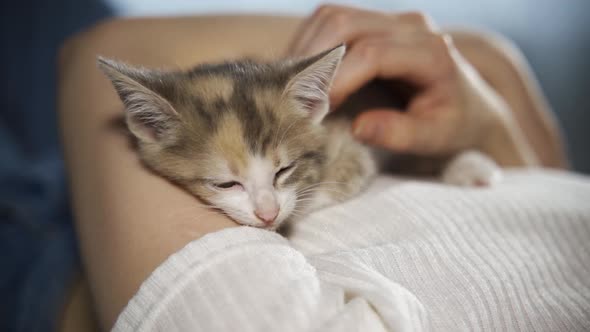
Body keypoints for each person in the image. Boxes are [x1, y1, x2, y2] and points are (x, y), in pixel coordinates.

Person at [57, 6, 586, 332]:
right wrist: (494, 130)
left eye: (282, 178)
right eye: (227, 183)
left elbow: (96, 50)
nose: (267, 212)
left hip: (48, 254)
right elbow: (488, 62)